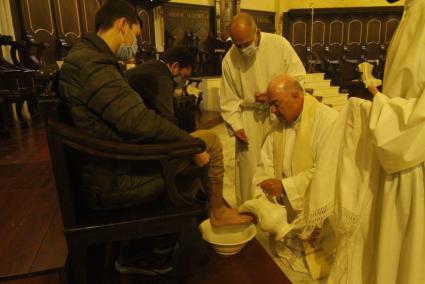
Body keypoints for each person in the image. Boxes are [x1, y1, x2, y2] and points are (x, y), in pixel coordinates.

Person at [58, 0, 250, 275]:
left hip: (107, 166)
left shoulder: (86, 57)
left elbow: (130, 119)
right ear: (123, 25)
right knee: (209, 142)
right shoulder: (93, 64)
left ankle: (155, 245)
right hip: (114, 178)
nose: (134, 44)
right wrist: (188, 144)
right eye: (135, 36)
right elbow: (139, 122)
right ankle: (209, 217)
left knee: (196, 144)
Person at [303, 0, 425, 283]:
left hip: (410, 162)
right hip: (394, 156)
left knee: (403, 258)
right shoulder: (412, 11)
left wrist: (372, 110)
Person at [126, 46, 251, 226]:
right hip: (141, 152)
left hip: (136, 141)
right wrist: (193, 147)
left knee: (187, 122)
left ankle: (199, 195)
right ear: (175, 66)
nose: (183, 82)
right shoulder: (161, 76)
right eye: (185, 76)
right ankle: (218, 211)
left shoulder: (149, 68)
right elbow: (167, 122)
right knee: (212, 142)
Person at [252, 74, 338, 281]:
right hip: (289, 211)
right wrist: (261, 194)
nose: (272, 111)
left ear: (296, 96)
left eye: (275, 104)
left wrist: (285, 186)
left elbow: (328, 170)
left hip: (318, 212)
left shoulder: (328, 120)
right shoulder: (279, 124)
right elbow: (267, 162)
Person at [220, 13, 306, 205]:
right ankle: (250, 211)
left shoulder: (279, 45)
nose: (243, 49)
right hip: (248, 120)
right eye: (237, 44)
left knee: (278, 163)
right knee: (248, 172)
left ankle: (278, 212)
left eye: (246, 43)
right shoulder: (229, 60)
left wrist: (275, 96)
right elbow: (228, 99)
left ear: (257, 32)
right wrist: (236, 126)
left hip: (277, 116)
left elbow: (298, 78)